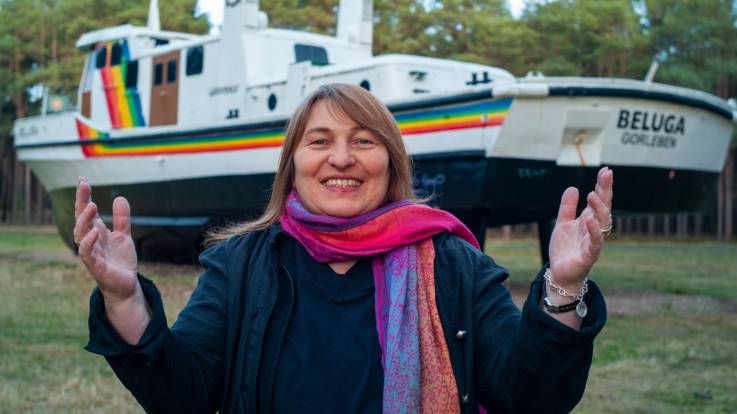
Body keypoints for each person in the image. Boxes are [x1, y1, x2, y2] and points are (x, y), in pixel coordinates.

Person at [76, 83, 614, 414]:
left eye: (363, 141)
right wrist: (126, 300)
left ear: (391, 162)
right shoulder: (241, 265)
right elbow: (184, 398)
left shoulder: (454, 264)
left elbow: (530, 399)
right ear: (293, 164)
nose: (341, 158)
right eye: (319, 141)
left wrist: (563, 288)